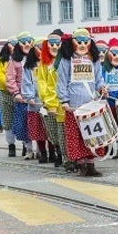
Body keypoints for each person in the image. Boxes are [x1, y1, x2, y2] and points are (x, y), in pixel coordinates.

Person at [56, 29, 107, 177]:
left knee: (93, 135)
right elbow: (61, 82)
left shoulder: (94, 59)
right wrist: (64, 100)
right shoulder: (66, 60)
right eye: (79, 42)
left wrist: (102, 88)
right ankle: (81, 164)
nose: (83, 45)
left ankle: (91, 164)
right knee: (77, 137)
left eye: (86, 42)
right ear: (72, 43)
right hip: (73, 105)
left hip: (91, 104)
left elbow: (99, 79)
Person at [36, 30, 66, 169]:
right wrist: (47, 101)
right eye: (51, 44)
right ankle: (58, 152)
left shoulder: (66, 61)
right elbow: (41, 82)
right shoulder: (44, 63)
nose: (54, 47)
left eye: (57, 44)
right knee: (53, 133)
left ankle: (64, 156)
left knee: (63, 132)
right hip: (49, 103)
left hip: (64, 103)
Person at [20, 36, 51, 164]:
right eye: (39, 47)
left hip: (48, 101)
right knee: (38, 130)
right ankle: (42, 153)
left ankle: (53, 152)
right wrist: (29, 97)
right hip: (35, 102)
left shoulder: (50, 63)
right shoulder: (28, 66)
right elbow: (26, 82)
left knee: (50, 129)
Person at [7, 32, 35, 159]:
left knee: (38, 124)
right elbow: (10, 78)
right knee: (25, 124)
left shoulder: (36, 57)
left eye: (29, 41)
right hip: (22, 97)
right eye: (24, 42)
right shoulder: (15, 60)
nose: (27, 44)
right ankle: (29, 149)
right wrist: (16, 93)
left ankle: (41, 150)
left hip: (36, 96)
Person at [0, 37, 17, 156]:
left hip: (20, 93)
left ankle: (25, 145)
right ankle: (11, 145)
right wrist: (11, 85)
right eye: (12, 44)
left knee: (22, 120)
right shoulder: (1, 61)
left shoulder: (22, 59)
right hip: (5, 93)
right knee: (7, 120)